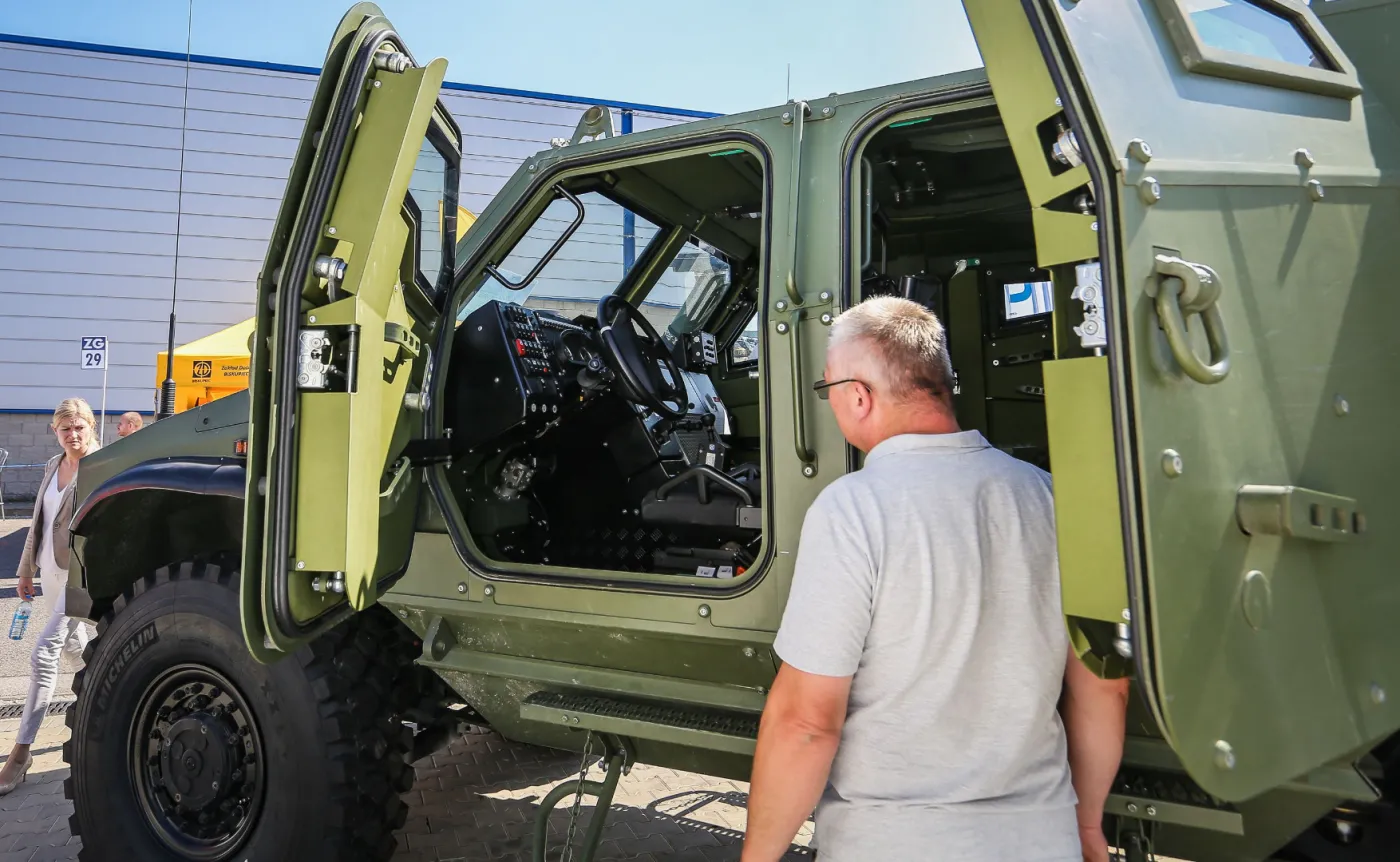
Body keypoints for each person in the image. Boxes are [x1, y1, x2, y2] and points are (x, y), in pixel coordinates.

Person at [741, 297, 1130, 862]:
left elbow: (806, 723)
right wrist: (1088, 825)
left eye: (827, 391)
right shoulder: (1050, 499)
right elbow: (1103, 685)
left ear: (857, 395)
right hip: (1043, 839)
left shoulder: (853, 510)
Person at [0, 398, 101, 795]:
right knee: (77, 653)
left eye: (80, 427)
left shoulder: (101, 466)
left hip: (81, 578)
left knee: (44, 653)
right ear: (54, 431)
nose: (73, 435)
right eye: (66, 429)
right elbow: (38, 521)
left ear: (92, 426)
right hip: (50, 576)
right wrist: (26, 569)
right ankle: (106, 721)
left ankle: (20, 754)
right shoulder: (51, 466)